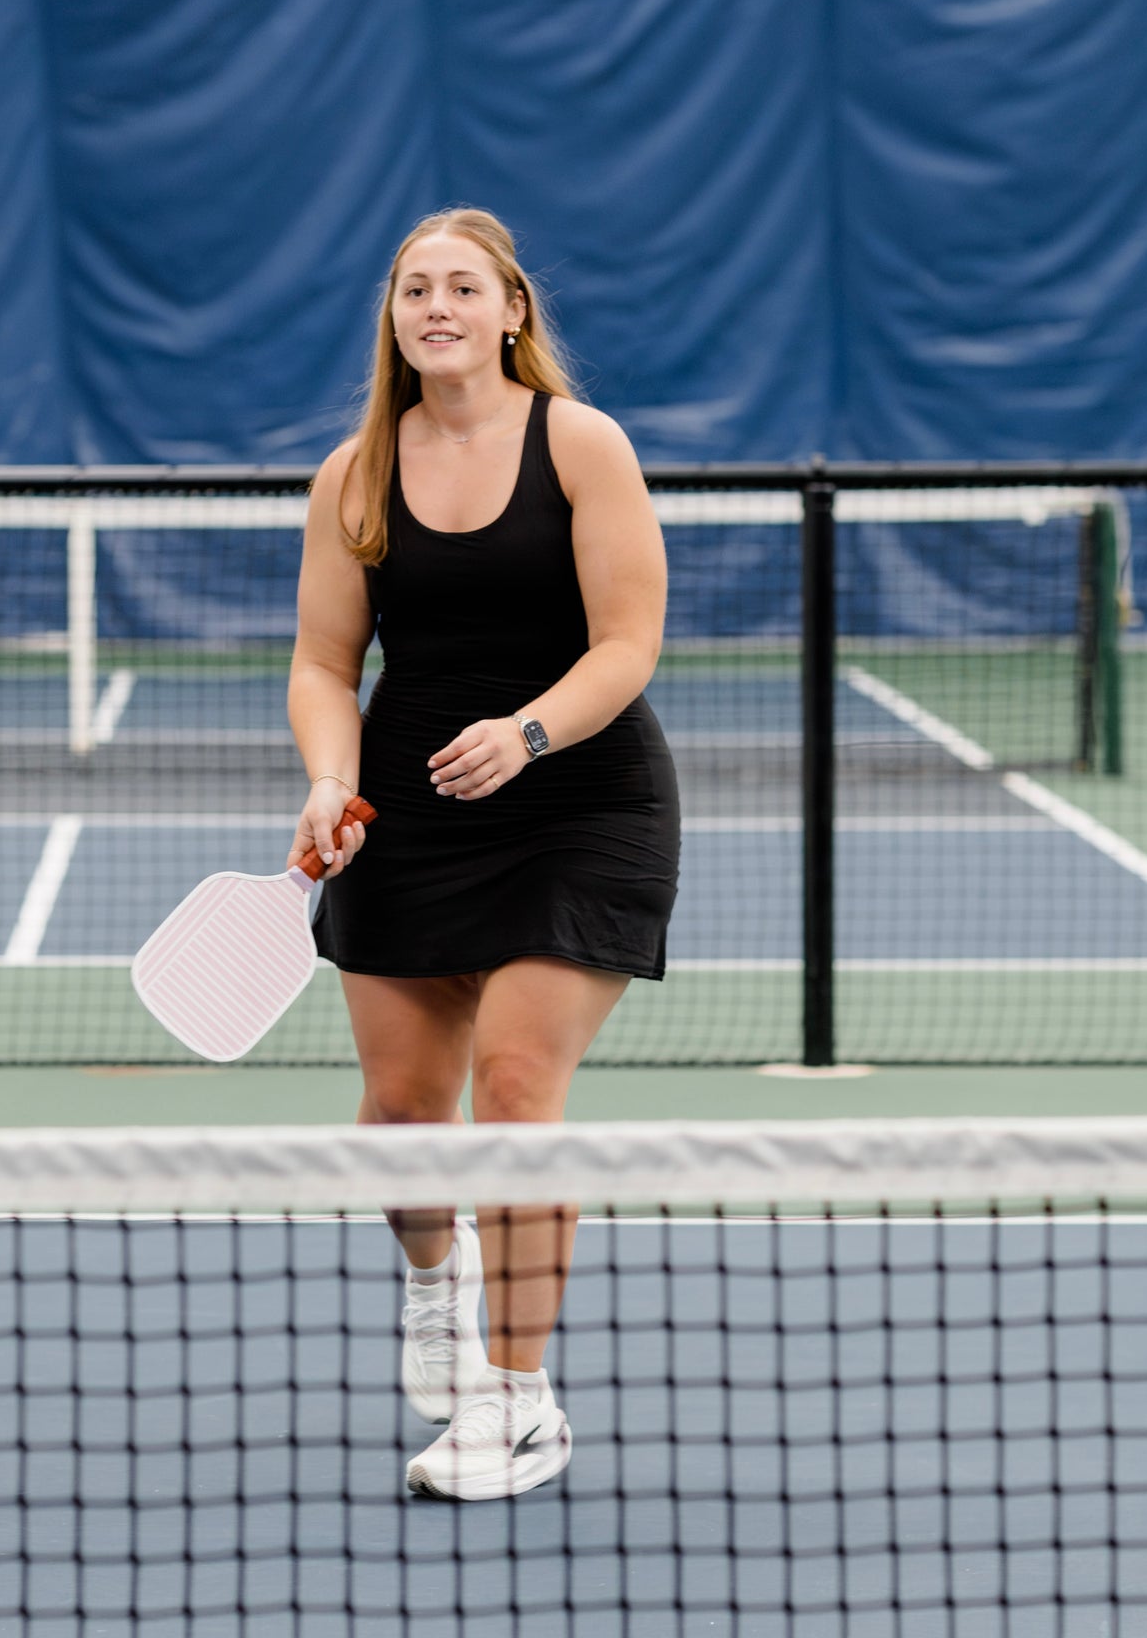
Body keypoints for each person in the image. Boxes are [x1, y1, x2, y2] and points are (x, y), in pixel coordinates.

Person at [286, 207, 678, 1501]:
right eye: (414, 290)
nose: (437, 307)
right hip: (407, 816)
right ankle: (438, 1277)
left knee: (514, 1091)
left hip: (578, 802)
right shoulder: (353, 474)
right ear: (393, 318)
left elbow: (626, 643)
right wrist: (330, 780)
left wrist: (526, 732)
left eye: (463, 287)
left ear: (512, 310)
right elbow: (325, 662)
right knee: (401, 1123)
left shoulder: (580, 444)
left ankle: (516, 1401)